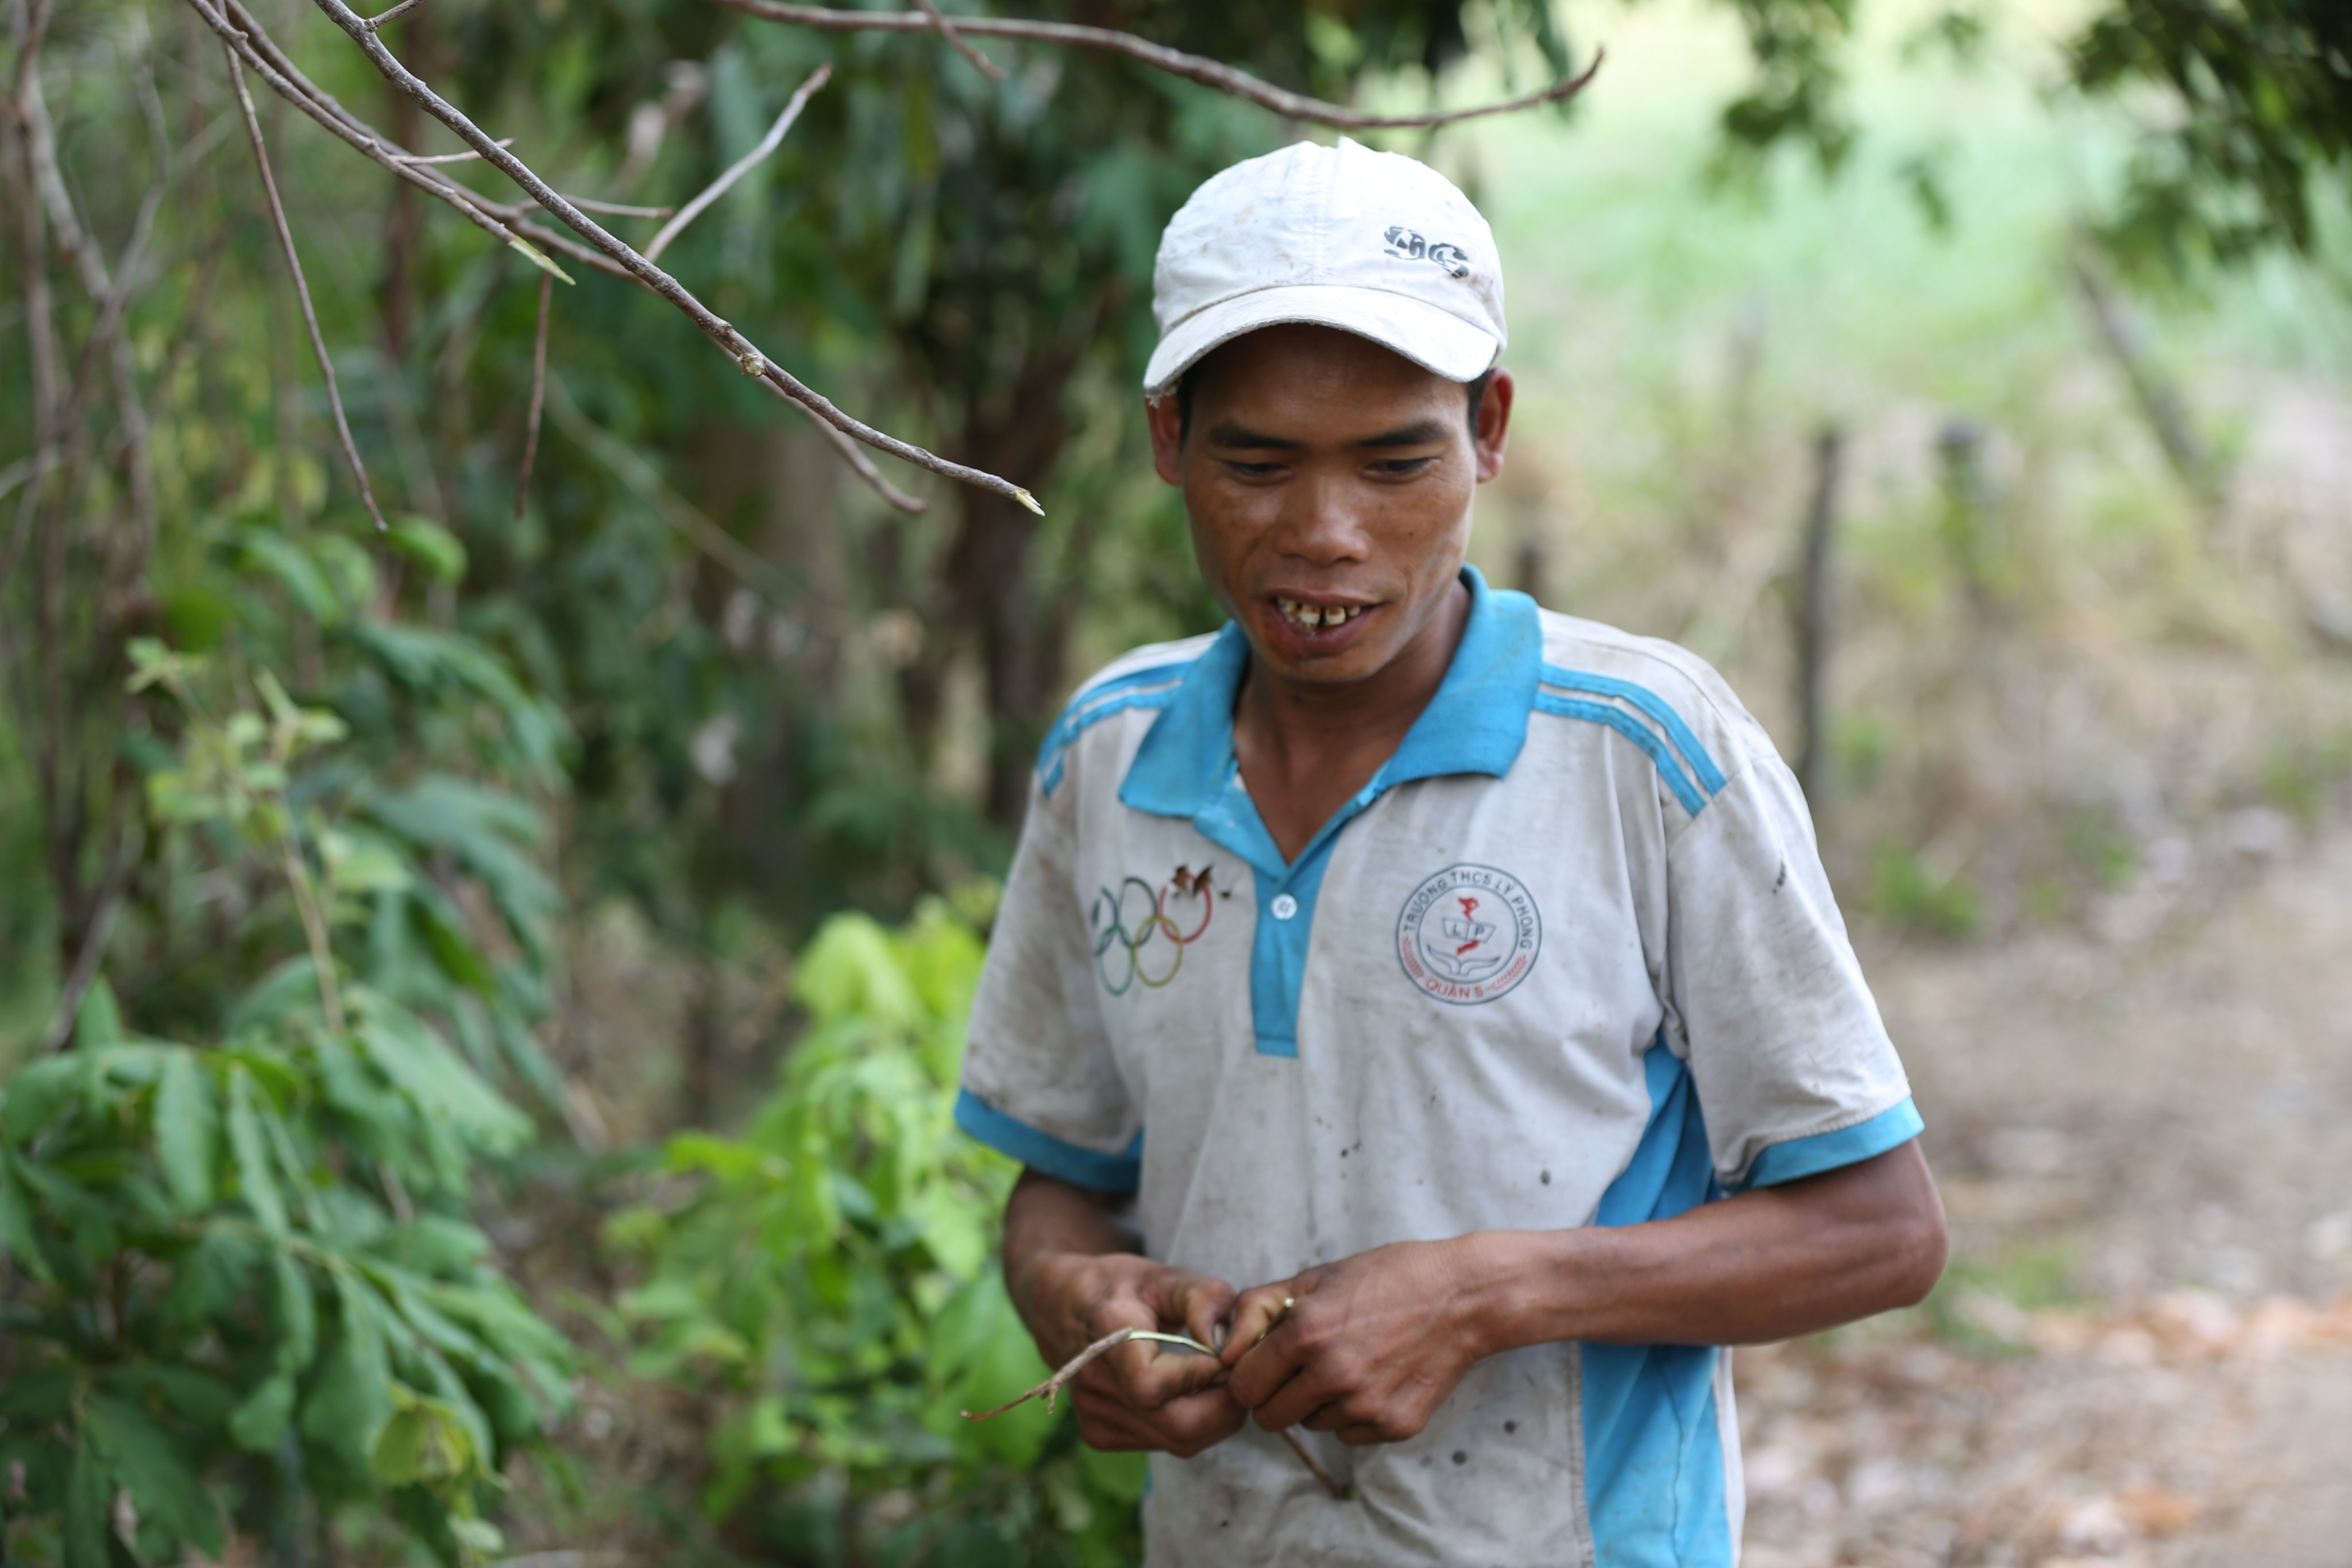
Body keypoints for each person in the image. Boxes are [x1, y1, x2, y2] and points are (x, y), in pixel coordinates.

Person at [952, 137, 1947, 1567]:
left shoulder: (1639, 753)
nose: (1325, 534)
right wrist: (1069, 1299)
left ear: (1486, 428)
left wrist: (1484, 1292)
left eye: (1396, 461)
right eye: (1255, 462)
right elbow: (1058, 1177)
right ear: (1168, 439)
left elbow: (1878, 1232)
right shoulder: (1106, 760)